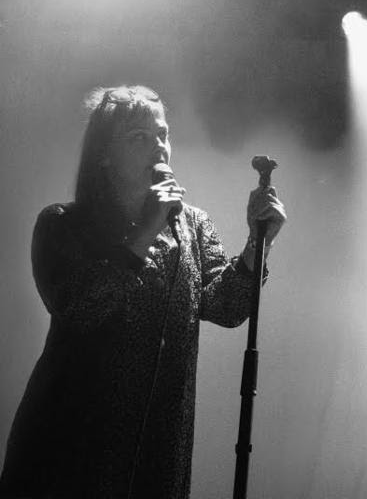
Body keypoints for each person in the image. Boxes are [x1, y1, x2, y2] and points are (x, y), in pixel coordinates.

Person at [0, 85, 287, 499]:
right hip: (71, 447)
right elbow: (79, 307)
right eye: (139, 137)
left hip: (157, 447)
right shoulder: (64, 224)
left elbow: (226, 306)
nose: (159, 147)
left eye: (163, 134)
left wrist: (259, 244)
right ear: (104, 154)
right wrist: (147, 229)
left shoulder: (193, 225)